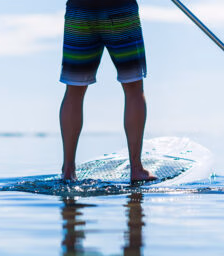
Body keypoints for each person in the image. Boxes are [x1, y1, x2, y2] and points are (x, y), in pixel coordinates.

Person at [59, 0, 155, 182]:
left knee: (74, 90)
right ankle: (136, 169)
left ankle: (68, 170)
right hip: (120, 10)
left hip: (80, 11)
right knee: (133, 87)